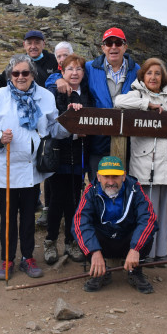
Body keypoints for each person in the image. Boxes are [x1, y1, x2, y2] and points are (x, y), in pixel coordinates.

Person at [0, 54, 70, 280]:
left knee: (29, 215)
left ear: (33, 74)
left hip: (31, 167)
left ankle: (27, 257)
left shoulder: (45, 96)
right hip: (6, 166)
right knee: (8, 215)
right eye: (16, 73)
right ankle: (7, 259)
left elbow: (53, 127)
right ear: (10, 75)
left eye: (25, 73)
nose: (20, 77)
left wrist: (74, 126)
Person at [114, 58, 167, 267]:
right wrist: (147, 104)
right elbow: (118, 102)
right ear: (143, 76)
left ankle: (161, 252)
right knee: (147, 211)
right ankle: (145, 250)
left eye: (157, 73)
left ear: (163, 77)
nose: (154, 77)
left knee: (166, 211)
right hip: (147, 164)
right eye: (149, 73)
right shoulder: (136, 94)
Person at [72, 156, 157, 294]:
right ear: (98, 177)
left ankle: (135, 270)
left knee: (147, 231)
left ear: (123, 176)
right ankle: (100, 271)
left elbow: (148, 217)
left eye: (115, 177)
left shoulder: (135, 189)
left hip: (127, 241)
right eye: (106, 177)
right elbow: (80, 222)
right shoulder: (90, 191)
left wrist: (136, 248)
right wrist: (94, 251)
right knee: (83, 232)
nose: (111, 182)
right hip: (103, 242)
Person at [43, 54, 93, 264]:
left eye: (79, 69)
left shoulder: (88, 94)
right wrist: (73, 127)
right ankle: (50, 241)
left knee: (74, 199)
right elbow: (51, 123)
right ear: (61, 72)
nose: (75, 73)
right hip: (58, 153)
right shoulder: (55, 92)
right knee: (56, 201)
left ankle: (71, 241)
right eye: (70, 69)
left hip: (79, 153)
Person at [82, 27, 140, 181]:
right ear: (103, 47)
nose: (113, 47)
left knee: (124, 185)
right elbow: (66, 75)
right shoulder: (89, 68)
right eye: (109, 43)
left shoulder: (137, 70)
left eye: (118, 43)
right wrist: (57, 81)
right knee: (97, 184)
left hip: (128, 142)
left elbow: (156, 88)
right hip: (97, 141)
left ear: (125, 46)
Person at [0, 30, 59, 95]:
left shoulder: (54, 59)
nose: (33, 46)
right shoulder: (17, 62)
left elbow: (63, 73)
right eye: (29, 43)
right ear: (24, 45)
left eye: (37, 43)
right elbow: (1, 80)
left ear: (43, 44)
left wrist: (60, 80)